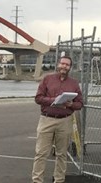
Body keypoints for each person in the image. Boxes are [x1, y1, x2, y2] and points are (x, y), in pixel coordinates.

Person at [31, 55, 83, 183]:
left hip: (65, 121)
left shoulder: (74, 84)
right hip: (47, 120)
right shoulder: (47, 79)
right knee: (41, 153)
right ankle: (37, 180)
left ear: (70, 67)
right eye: (62, 64)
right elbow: (38, 98)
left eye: (67, 65)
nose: (64, 66)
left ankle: (59, 180)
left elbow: (80, 103)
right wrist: (53, 100)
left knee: (62, 154)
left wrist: (71, 105)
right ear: (58, 64)